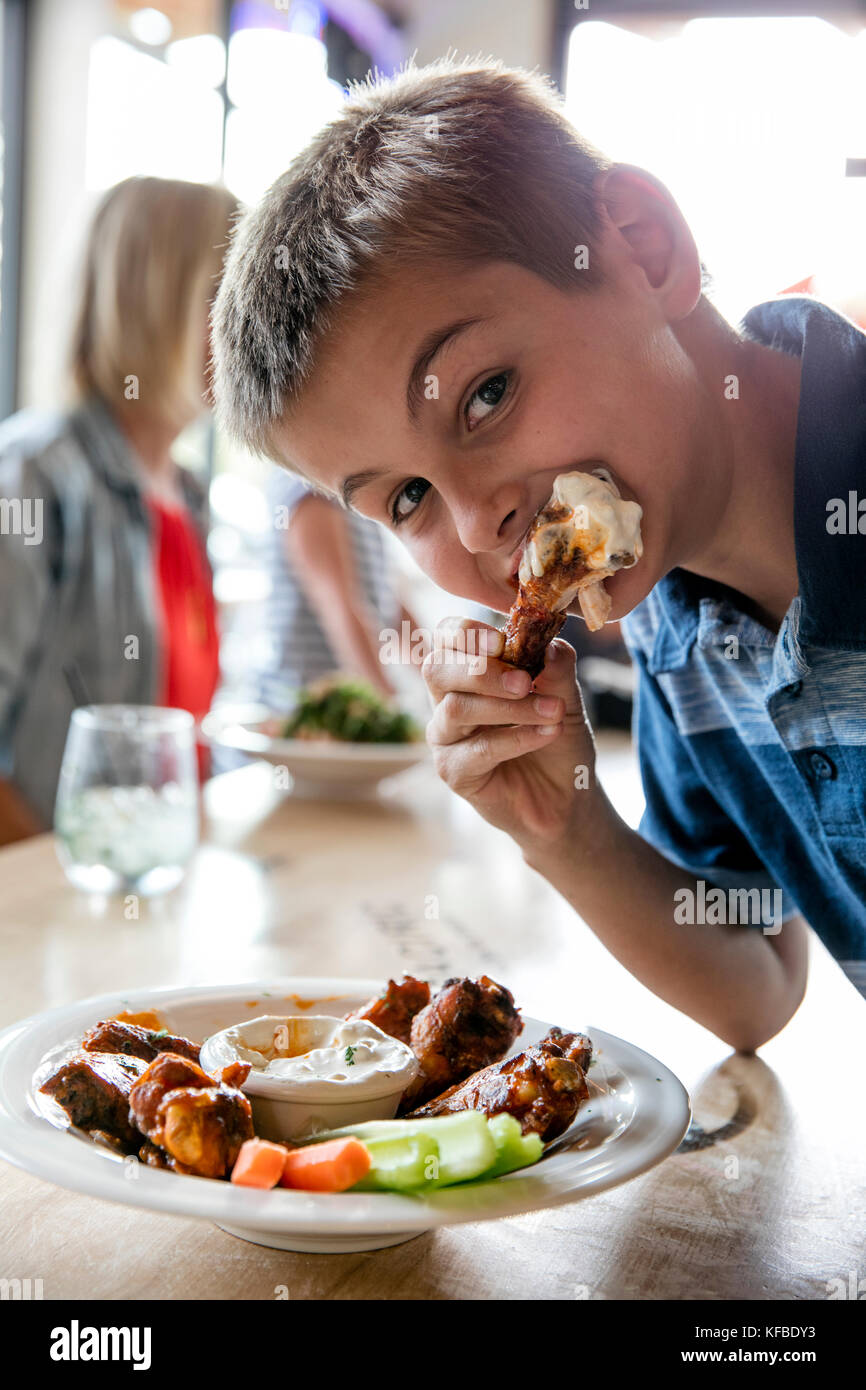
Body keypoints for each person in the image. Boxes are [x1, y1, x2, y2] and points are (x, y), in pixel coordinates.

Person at [210, 58, 866, 1038]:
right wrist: (561, 829)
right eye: (409, 496)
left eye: (484, 394)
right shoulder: (671, 622)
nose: (478, 527)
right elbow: (757, 982)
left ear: (643, 249)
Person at [0, 176, 238, 844]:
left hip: (150, 892)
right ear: (163, 305)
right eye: (235, 299)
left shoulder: (186, 495)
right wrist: (62, 885)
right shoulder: (32, 477)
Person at [249, 468, 415, 709]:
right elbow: (338, 606)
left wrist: (437, 669)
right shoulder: (308, 481)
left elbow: (385, 597)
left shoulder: (353, 485)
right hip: (306, 710)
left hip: (345, 703)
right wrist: (389, 707)